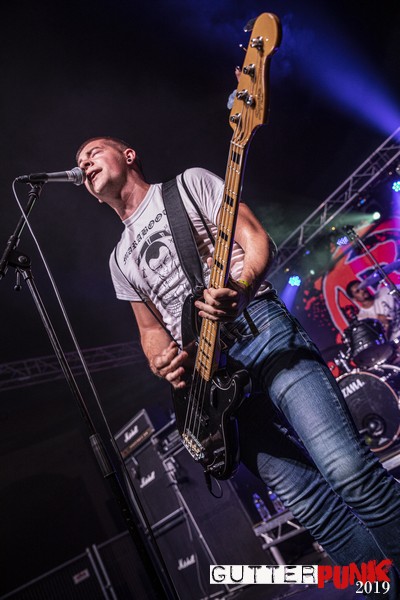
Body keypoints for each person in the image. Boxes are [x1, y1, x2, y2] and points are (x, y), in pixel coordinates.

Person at [76, 136, 400, 598]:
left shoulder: (188, 184)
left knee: (348, 469)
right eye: (79, 162)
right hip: (212, 381)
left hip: (259, 329)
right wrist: (160, 359)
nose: (84, 162)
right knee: (313, 508)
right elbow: (149, 329)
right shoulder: (118, 259)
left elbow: (254, 236)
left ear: (128, 156)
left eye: (93, 152)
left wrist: (242, 288)